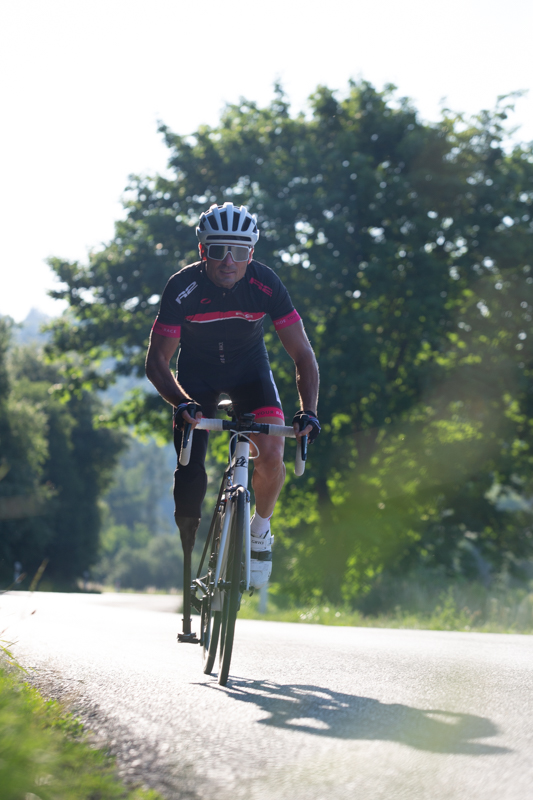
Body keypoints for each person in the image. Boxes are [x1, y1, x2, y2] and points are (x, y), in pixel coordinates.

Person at [145, 201, 320, 588]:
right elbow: (156, 362)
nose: (229, 261)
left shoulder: (265, 284)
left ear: (250, 254)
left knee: (272, 454)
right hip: (197, 380)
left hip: (249, 374)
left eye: (239, 251)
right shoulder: (182, 287)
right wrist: (182, 403)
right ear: (202, 251)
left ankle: (259, 531)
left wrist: (308, 411)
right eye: (219, 250)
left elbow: (303, 356)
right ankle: (190, 555)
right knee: (191, 469)